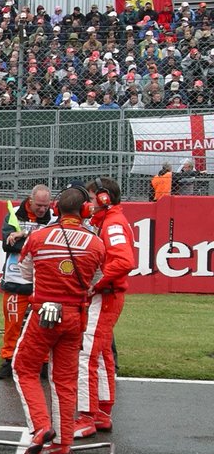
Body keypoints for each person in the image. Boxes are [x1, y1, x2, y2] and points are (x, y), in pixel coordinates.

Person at [13, 184, 105, 454]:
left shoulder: (39, 237)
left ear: (55, 208)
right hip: (76, 316)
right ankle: (63, 444)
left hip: (43, 313)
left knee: (24, 368)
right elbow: (97, 281)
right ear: (85, 211)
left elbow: (24, 271)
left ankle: (41, 426)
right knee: (65, 381)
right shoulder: (96, 242)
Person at [75, 177, 136, 437]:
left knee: (86, 353)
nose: (87, 205)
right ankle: (101, 412)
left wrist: (96, 285)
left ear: (103, 198)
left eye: (90, 199)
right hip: (108, 295)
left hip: (105, 297)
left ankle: (86, 416)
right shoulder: (110, 222)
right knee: (100, 355)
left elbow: (123, 261)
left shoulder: (112, 224)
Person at [0, 184, 55, 380]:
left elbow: (52, 243)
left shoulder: (54, 217)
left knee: (45, 326)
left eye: (45, 206)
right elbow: (8, 244)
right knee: (12, 324)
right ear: (30, 201)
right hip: (15, 281)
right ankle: (8, 361)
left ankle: (44, 363)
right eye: (39, 205)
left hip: (43, 283)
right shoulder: (13, 215)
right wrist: (36, 241)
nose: (42, 209)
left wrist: (25, 236)